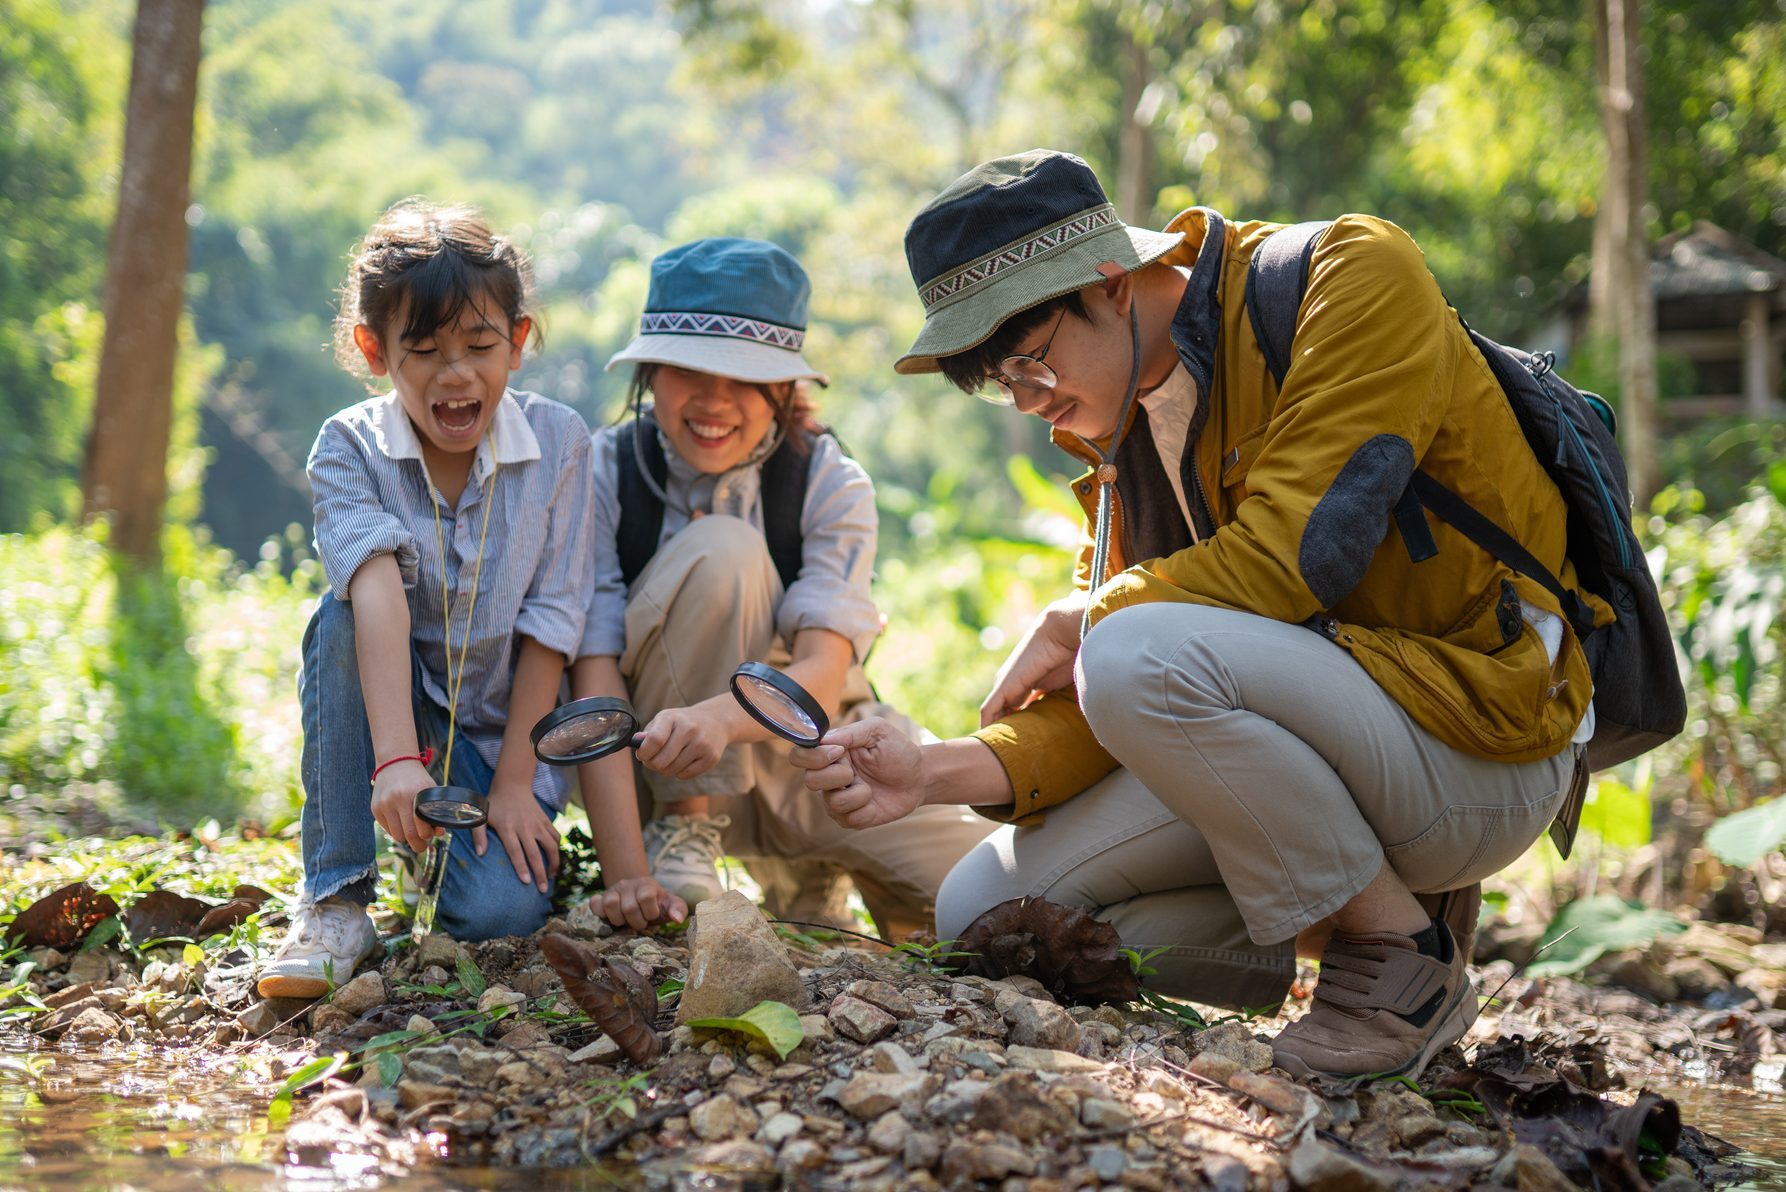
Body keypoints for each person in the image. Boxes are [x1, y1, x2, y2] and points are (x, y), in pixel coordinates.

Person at [789, 149, 1600, 1082]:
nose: (1029, 402)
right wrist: (930, 772)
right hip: (1311, 764)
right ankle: (1343, 926)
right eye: (997, 383)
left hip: (1479, 743)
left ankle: (1400, 958)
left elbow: (1299, 556)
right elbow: (1126, 691)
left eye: (1027, 360)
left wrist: (1088, 618)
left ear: (1106, 281)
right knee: (984, 914)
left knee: (1132, 645)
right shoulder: (1119, 425)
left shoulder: (1351, 274)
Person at [569, 237, 993, 938]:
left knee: (995, 896)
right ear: (648, 374)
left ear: (785, 390)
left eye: (744, 378)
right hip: (656, 759)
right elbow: (593, 671)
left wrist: (719, 719)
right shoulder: (603, 472)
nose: (714, 401)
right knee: (724, 548)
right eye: (686, 370)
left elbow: (824, 672)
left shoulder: (829, 481)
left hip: (811, 756)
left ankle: (816, 868)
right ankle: (686, 831)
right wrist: (627, 880)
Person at [257, 199, 596, 998]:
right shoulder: (350, 446)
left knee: (500, 916)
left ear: (518, 342)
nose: (456, 373)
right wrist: (398, 759)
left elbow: (553, 623)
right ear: (375, 350)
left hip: (493, 740)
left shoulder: (562, 445)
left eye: (480, 346)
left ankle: (435, 844)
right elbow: (374, 589)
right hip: (392, 715)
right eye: (425, 350)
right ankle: (338, 897)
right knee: (336, 614)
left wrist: (515, 784)